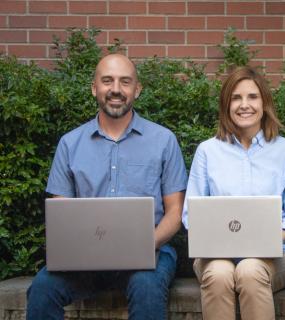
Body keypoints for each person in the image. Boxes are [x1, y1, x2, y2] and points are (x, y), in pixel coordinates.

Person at [26, 53, 187, 320]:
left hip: (150, 252)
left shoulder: (163, 141)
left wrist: (144, 244)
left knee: (146, 288)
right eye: (107, 81)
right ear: (94, 88)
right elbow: (60, 214)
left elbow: (175, 213)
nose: (115, 89)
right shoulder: (70, 144)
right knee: (43, 288)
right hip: (85, 259)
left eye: (125, 82)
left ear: (137, 89)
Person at [182, 66, 285, 320]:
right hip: (215, 256)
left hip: (275, 257)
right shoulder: (208, 151)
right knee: (219, 273)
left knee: (250, 270)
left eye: (252, 97)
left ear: (265, 103)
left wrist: (273, 237)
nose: (244, 105)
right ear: (226, 105)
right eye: (236, 98)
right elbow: (190, 215)